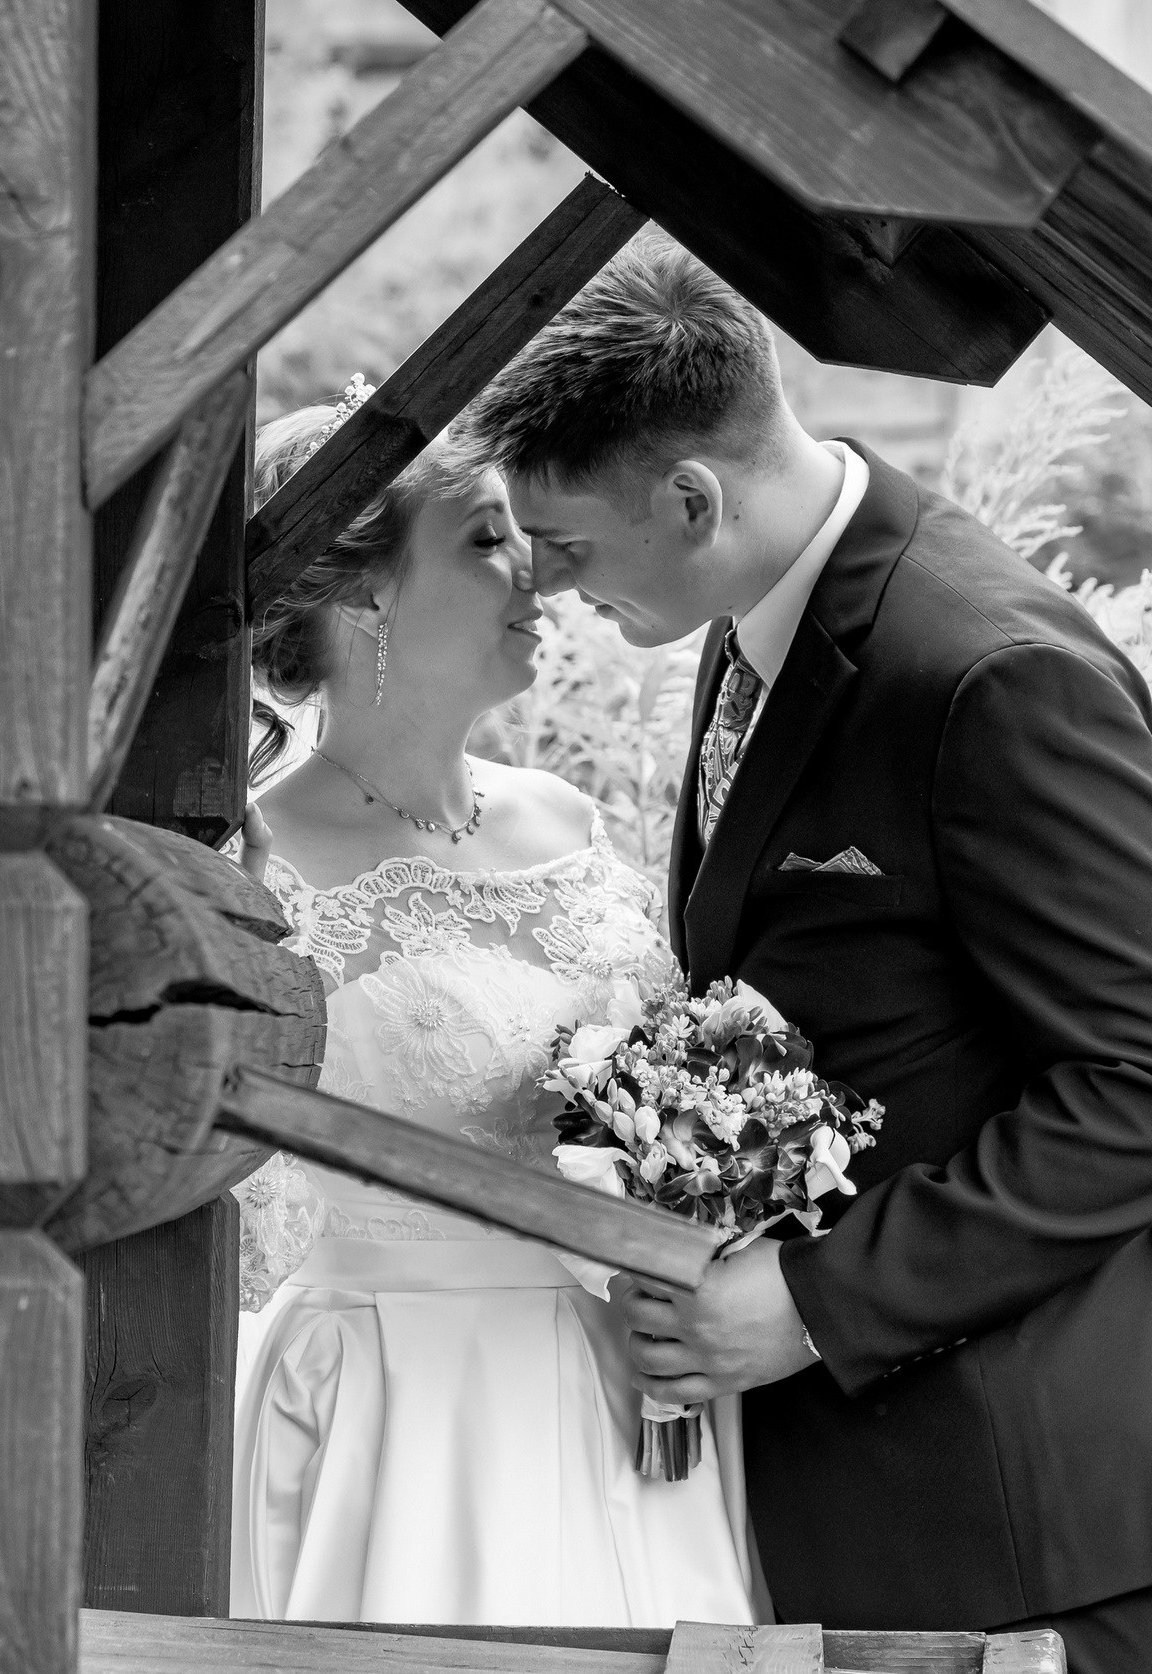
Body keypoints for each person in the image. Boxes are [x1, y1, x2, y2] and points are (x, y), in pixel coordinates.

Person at [459, 237, 1152, 1674]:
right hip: (860, 1476)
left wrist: (811, 1299)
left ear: (692, 496)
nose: (545, 577)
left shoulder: (990, 673)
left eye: (568, 544)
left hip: (1010, 1492)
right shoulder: (748, 616)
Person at [225, 388, 762, 1628]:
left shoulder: (562, 819)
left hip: (620, 1375)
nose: (535, 571)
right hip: (401, 1397)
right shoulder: (262, 859)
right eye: (482, 538)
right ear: (362, 595)